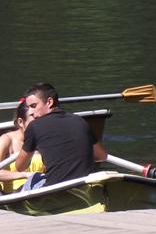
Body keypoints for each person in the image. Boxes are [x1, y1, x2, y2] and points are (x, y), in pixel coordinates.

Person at [13, 82, 107, 213]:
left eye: (34, 106)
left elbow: (20, 167)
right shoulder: (79, 121)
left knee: (33, 179)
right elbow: (102, 156)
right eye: (29, 108)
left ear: (49, 102)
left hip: (55, 190)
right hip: (85, 186)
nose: (32, 113)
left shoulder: (34, 127)